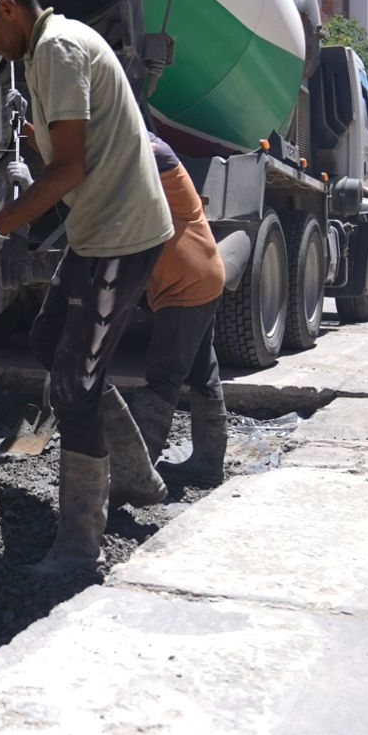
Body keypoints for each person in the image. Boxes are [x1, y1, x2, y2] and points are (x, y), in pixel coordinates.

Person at [0, 0, 173, 573]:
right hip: (94, 227)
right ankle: (138, 477)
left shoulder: (58, 49)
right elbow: (68, 153)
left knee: (75, 385)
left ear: (7, 8)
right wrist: (33, 154)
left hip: (119, 235)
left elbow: (72, 169)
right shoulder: (39, 51)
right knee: (51, 339)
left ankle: (79, 545)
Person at [125, 132, 229, 487]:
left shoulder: (151, 152)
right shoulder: (142, 147)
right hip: (200, 275)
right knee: (202, 370)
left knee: (164, 376)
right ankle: (208, 464)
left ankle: (135, 473)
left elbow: (99, 175)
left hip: (186, 284)